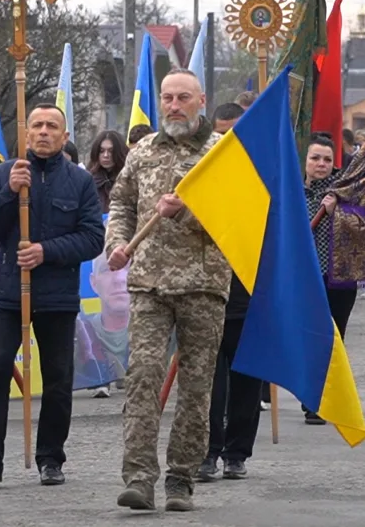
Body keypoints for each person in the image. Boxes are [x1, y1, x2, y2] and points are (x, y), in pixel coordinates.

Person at [106, 70, 231, 513]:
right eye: (167, 98)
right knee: (142, 376)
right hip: (149, 285)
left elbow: (235, 223)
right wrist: (117, 242)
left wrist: (185, 215)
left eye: (183, 98)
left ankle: (182, 478)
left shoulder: (221, 156)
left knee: (197, 387)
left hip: (203, 285)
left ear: (201, 101)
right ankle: (139, 477)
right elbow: (120, 202)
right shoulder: (142, 151)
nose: (174, 105)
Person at [0, 103, 105, 487]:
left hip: (57, 296)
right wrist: (11, 193)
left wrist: (47, 251)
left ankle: (50, 458)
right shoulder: (3, 173)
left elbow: (93, 237)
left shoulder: (79, 181)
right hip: (10, 293)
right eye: (37, 125)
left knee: (58, 378)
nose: (44, 132)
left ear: (64, 136)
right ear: (27, 133)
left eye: (52, 126)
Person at [198, 107, 262, 482]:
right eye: (218, 135)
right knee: (207, 382)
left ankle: (237, 452)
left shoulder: (260, 182)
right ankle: (207, 450)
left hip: (246, 297)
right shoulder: (198, 180)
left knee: (245, 382)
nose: (224, 143)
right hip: (204, 295)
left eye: (232, 136)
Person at [302, 135, 358, 424]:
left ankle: (322, 402)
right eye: (315, 158)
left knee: (332, 340)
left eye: (326, 159)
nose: (321, 164)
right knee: (307, 338)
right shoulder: (291, 190)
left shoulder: (343, 192)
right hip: (302, 279)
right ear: (306, 160)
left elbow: (363, 228)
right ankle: (309, 394)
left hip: (337, 279)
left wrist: (339, 213)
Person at [85, 129, 130, 398]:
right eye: (101, 151)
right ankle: (100, 376)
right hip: (96, 250)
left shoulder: (128, 178)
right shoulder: (88, 181)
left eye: (110, 151)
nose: (105, 156)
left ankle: (125, 370)